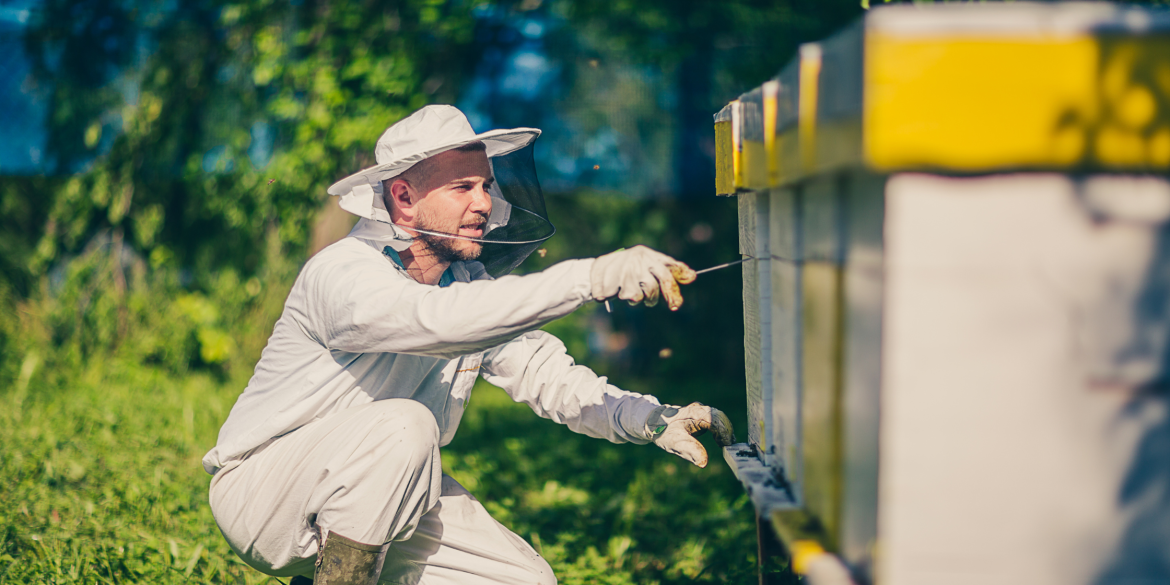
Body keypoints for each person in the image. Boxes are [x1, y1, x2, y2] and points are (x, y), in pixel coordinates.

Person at [202, 105, 735, 585]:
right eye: (462, 187)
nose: (485, 202)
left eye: (486, 185)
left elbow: (548, 376)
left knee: (524, 581)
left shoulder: (466, 283)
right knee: (405, 425)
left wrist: (650, 417)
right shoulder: (341, 274)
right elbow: (434, 323)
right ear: (404, 199)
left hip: (381, 493)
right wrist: (589, 277)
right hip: (264, 496)